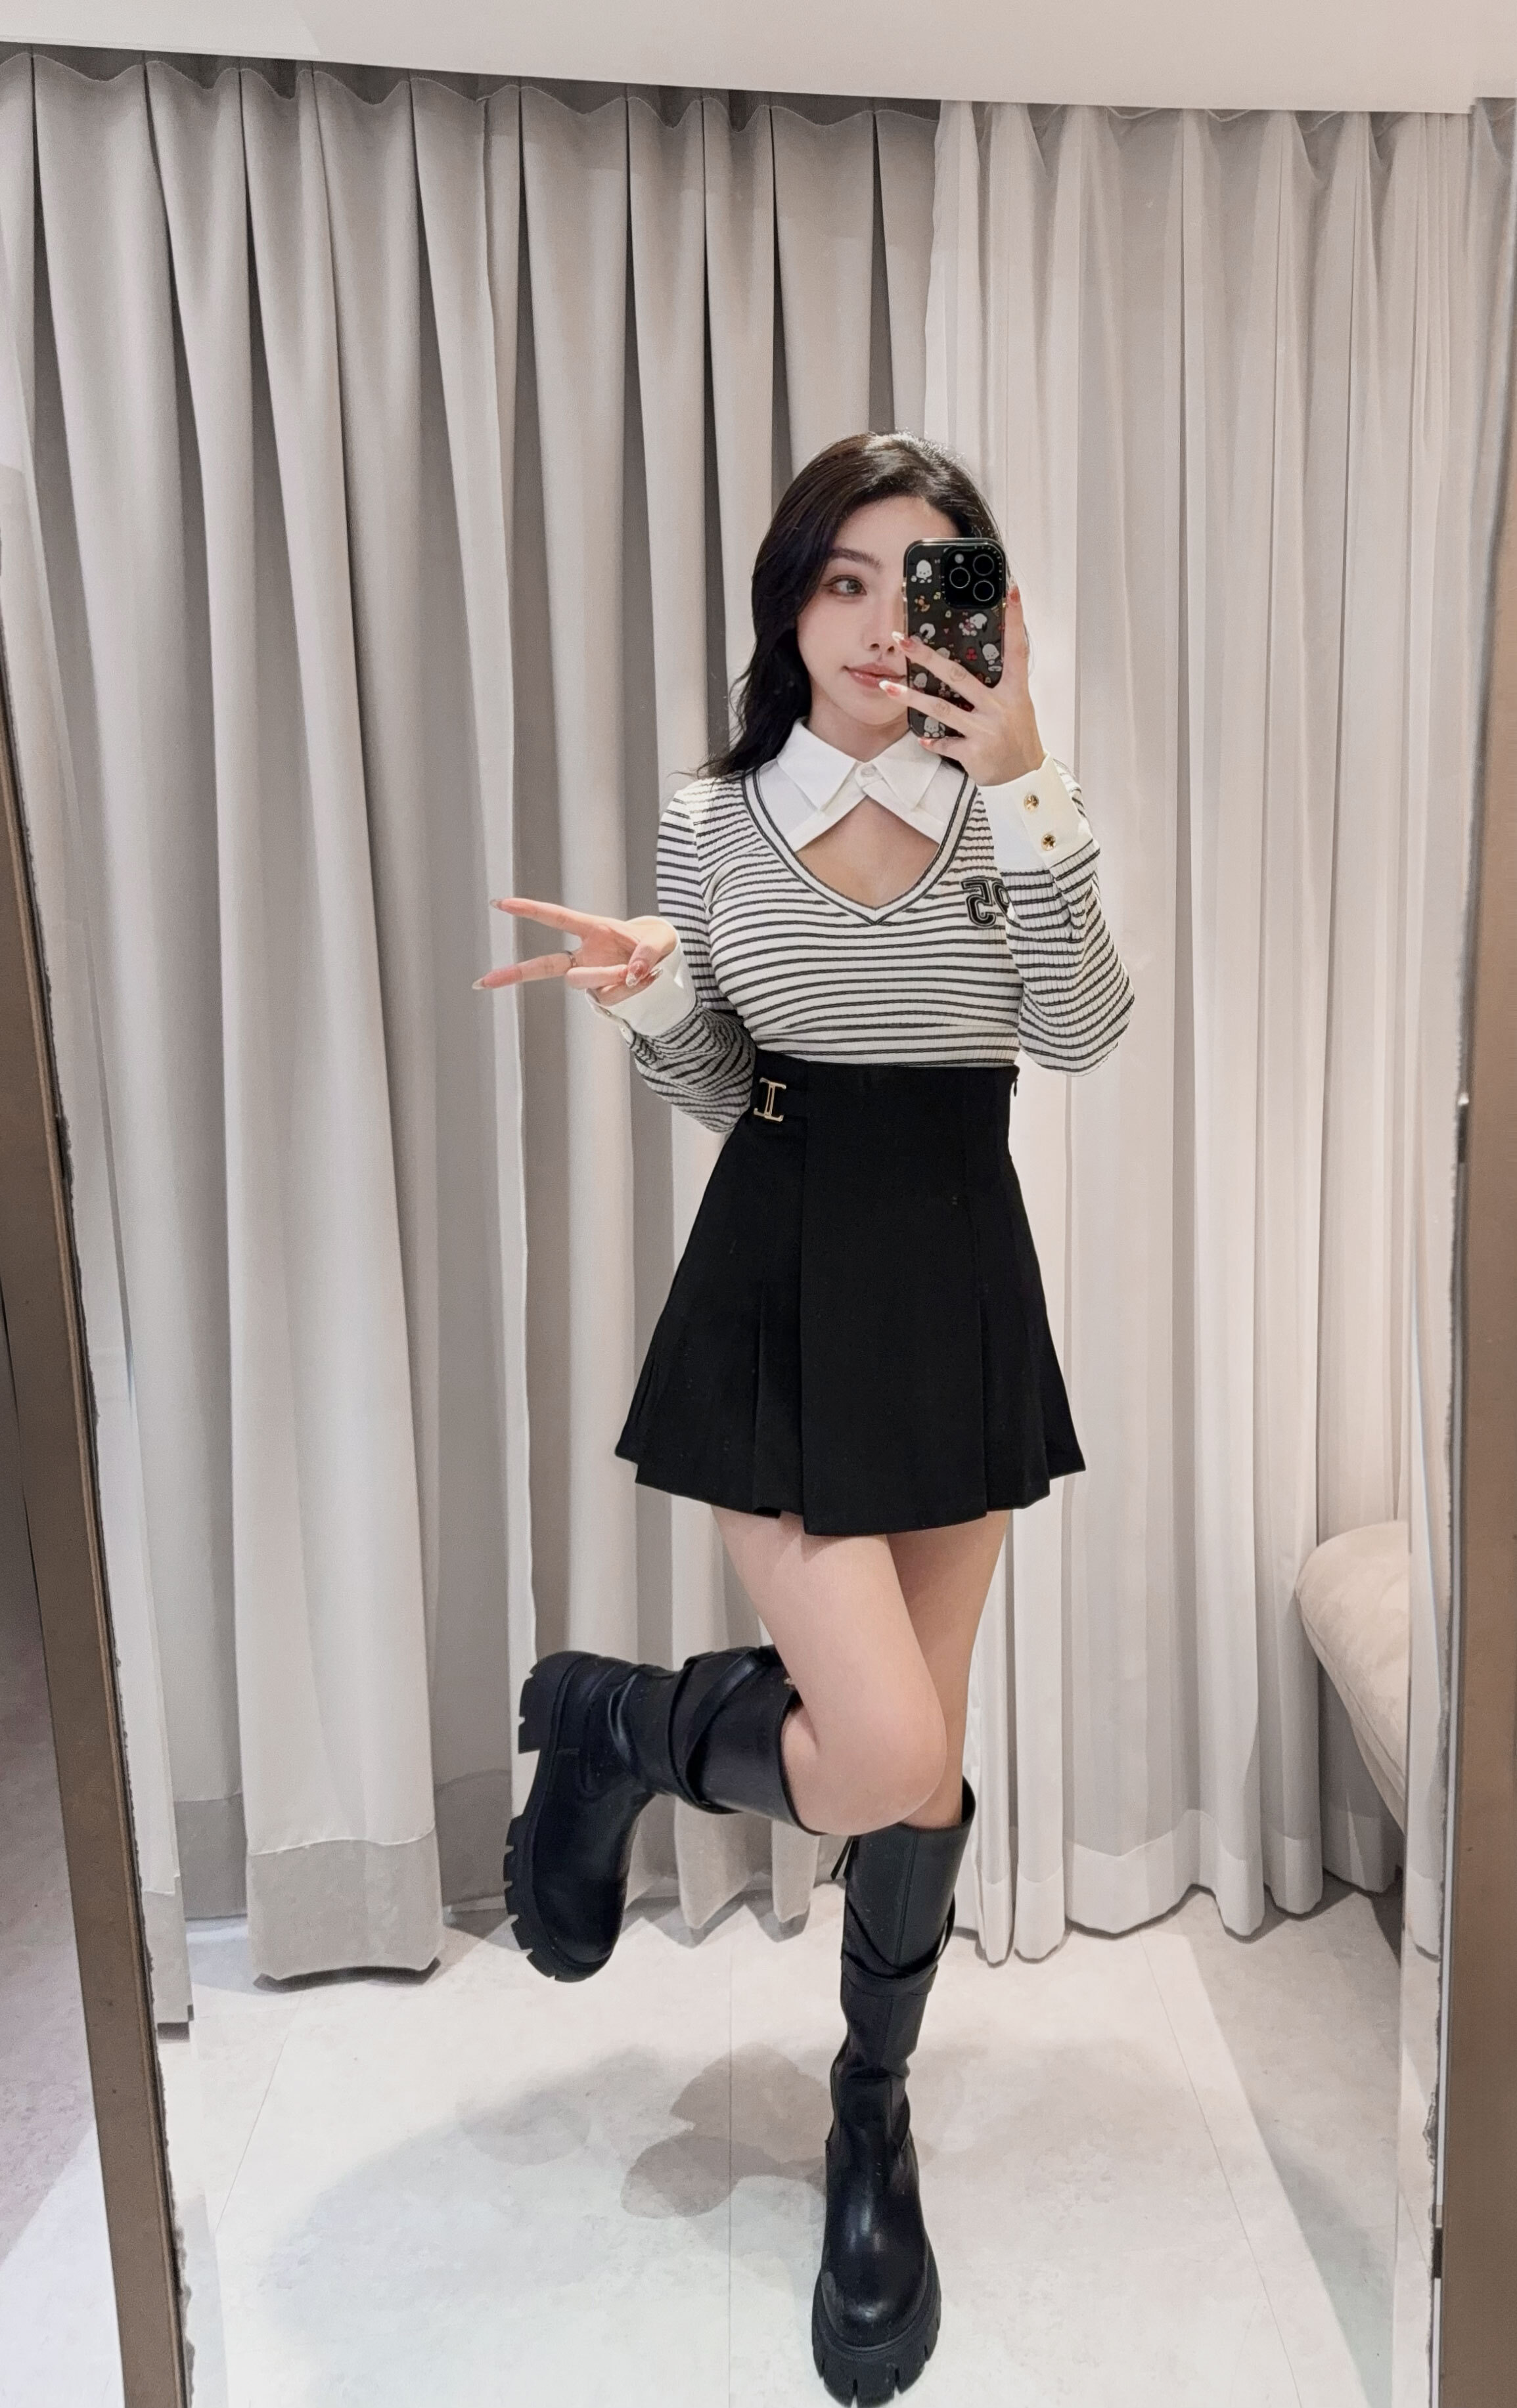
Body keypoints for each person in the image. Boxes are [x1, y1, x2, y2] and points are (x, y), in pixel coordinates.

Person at [477, 432, 1133, 2404]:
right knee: (883, 1748)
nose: (875, 621)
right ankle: (615, 1726)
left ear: (978, 616)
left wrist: (1028, 776)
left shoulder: (1007, 806)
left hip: (959, 1278)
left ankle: (870, 2118)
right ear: (789, 602)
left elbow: (1082, 1029)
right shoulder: (715, 817)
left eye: (921, 584)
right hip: (775, 1278)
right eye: (842, 578)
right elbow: (720, 1080)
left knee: (915, 1770)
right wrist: (648, 999)